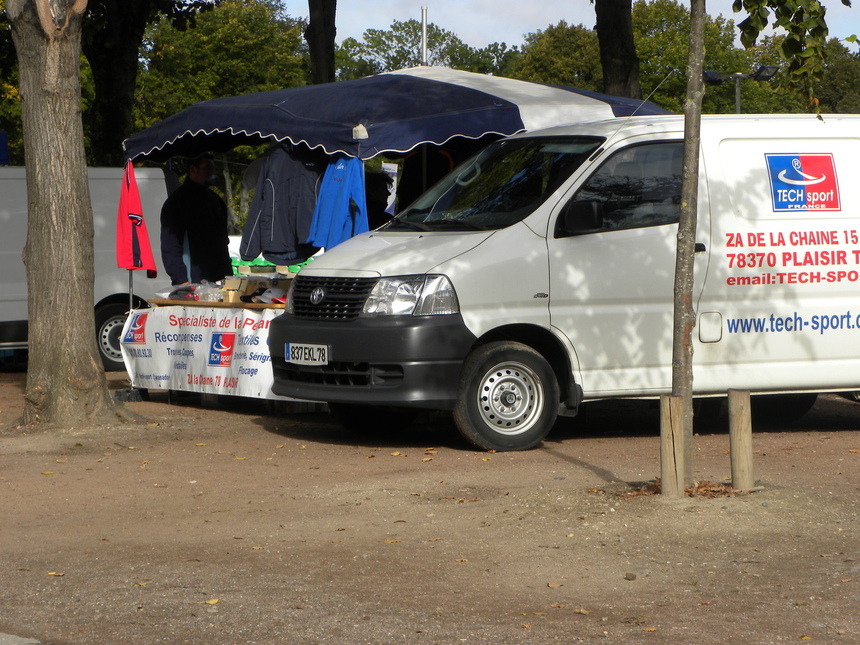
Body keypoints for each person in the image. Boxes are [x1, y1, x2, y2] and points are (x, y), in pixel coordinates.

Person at [160, 154, 232, 285]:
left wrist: (228, 275)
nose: (213, 173)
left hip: (220, 278)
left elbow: (223, 241)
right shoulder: (177, 202)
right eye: (208, 168)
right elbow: (170, 245)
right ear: (193, 170)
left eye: (213, 169)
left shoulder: (215, 200)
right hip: (193, 281)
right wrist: (182, 280)